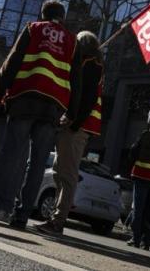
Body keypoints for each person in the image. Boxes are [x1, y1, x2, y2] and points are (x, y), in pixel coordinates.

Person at [0, 0, 81, 226]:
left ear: (43, 14)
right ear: (62, 17)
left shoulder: (33, 29)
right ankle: (22, 215)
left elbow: (15, 59)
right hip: (52, 108)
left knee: (10, 155)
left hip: (26, 99)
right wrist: (72, 111)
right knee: (38, 163)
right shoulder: (72, 41)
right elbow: (75, 78)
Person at [36, 31, 103, 235]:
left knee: (67, 174)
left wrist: (74, 122)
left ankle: (58, 221)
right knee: (60, 170)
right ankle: (56, 217)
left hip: (78, 126)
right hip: (77, 125)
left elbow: (87, 96)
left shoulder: (92, 65)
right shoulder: (88, 63)